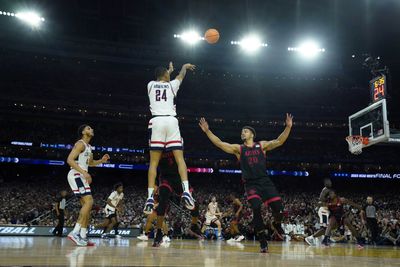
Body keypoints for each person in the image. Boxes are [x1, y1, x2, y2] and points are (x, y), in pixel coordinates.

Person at [199, 114, 293, 253]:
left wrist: (288, 127)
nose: (242, 133)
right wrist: (207, 131)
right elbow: (220, 143)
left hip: (265, 182)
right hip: (251, 184)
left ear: (252, 134)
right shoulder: (239, 149)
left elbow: (279, 141)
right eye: (242, 131)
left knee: (279, 209)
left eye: (245, 131)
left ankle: (275, 223)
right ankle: (262, 240)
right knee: (256, 207)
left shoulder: (261, 145)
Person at [144, 62, 196, 215]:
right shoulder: (172, 85)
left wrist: (168, 71)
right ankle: (186, 190)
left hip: (156, 122)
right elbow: (180, 77)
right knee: (180, 159)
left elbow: (163, 79)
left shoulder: (150, 85)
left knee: (153, 162)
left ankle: (149, 197)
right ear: (166, 76)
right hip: (171, 121)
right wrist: (183, 68)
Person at [66, 124, 110, 246]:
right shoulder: (80, 144)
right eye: (89, 128)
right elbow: (69, 160)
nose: (92, 129)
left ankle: (83, 236)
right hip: (76, 174)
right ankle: (74, 232)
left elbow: (90, 163)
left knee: (87, 207)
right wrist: (84, 173)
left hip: (81, 175)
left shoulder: (89, 147)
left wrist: (101, 161)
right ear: (83, 132)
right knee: (89, 201)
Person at [152, 151, 201, 247]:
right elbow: (153, 165)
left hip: (178, 178)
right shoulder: (157, 145)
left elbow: (182, 162)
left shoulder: (176, 142)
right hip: (165, 178)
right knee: (162, 202)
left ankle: (194, 225)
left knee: (195, 203)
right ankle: (158, 232)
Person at [305, 178, 333, 246]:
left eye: (330, 182)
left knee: (325, 227)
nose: (330, 183)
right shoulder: (325, 190)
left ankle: (324, 240)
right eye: (328, 182)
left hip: (326, 211)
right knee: (324, 228)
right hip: (323, 210)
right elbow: (320, 200)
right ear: (325, 183)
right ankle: (311, 238)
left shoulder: (328, 190)